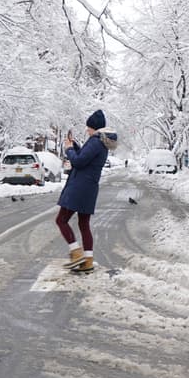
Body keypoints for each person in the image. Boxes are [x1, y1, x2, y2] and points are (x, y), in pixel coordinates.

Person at [56, 109, 119, 274]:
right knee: (83, 224)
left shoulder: (95, 142)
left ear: (94, 127)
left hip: (79, 187)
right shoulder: (100, 143)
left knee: (61, 220)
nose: (86, 130)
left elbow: (78, 162)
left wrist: (69, 149)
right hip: (89, 188)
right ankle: (88, 260)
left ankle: (76, 253)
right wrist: (75, 145)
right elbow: (85, 157)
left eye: (88, 127)